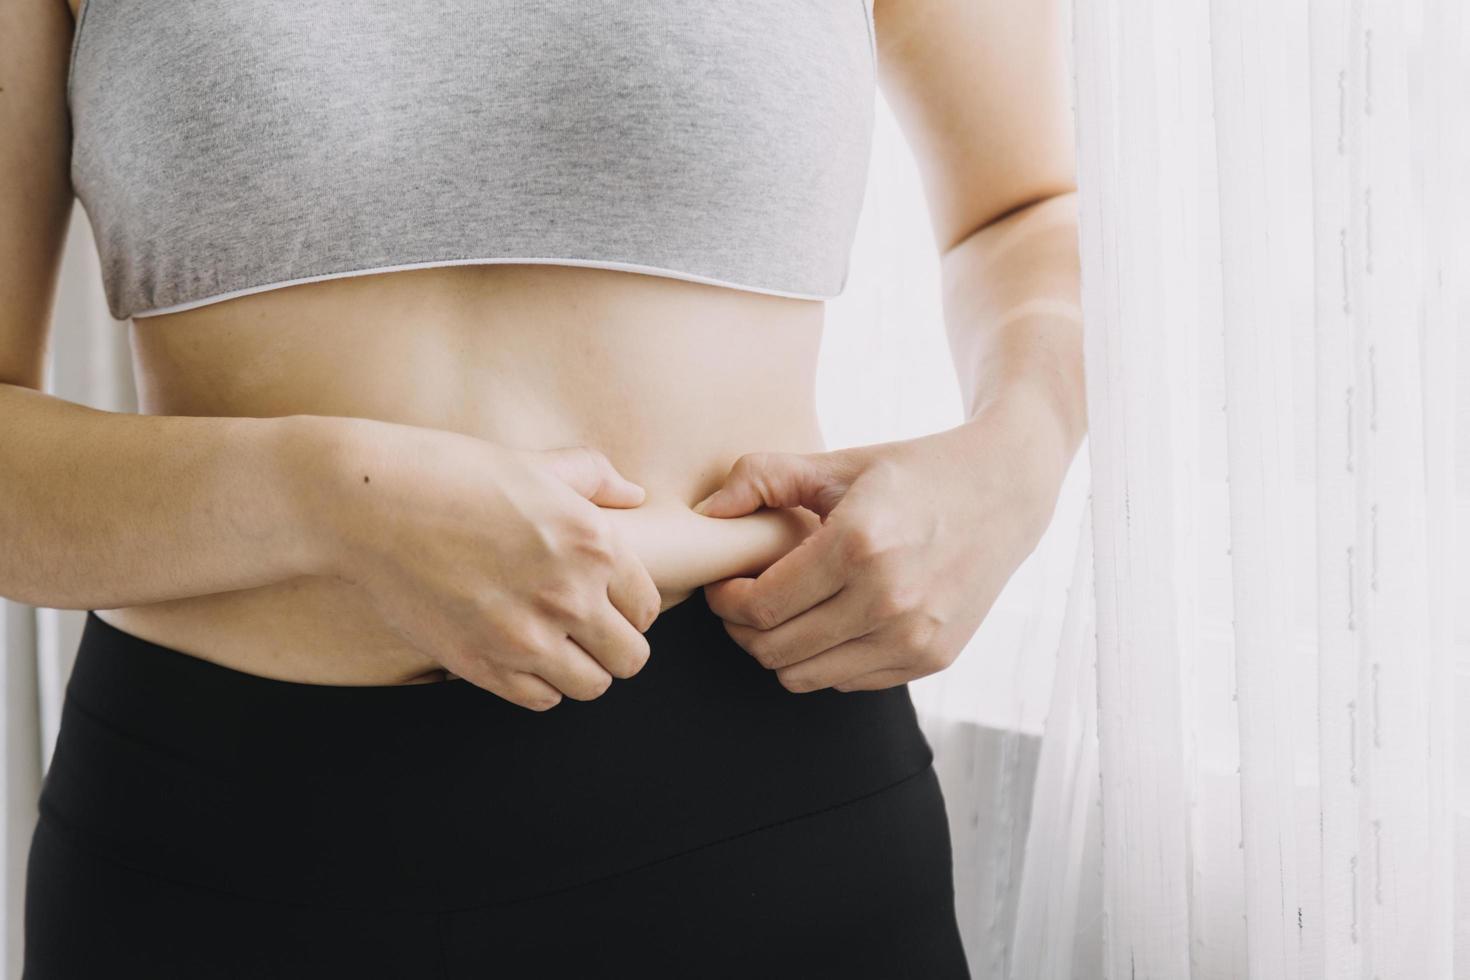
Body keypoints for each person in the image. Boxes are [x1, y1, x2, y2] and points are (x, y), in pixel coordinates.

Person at [5, 0, 1084, 976]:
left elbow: (1029, 210)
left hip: (761, 805)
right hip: (212, 849)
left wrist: (1013, 458)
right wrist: (334, 497)